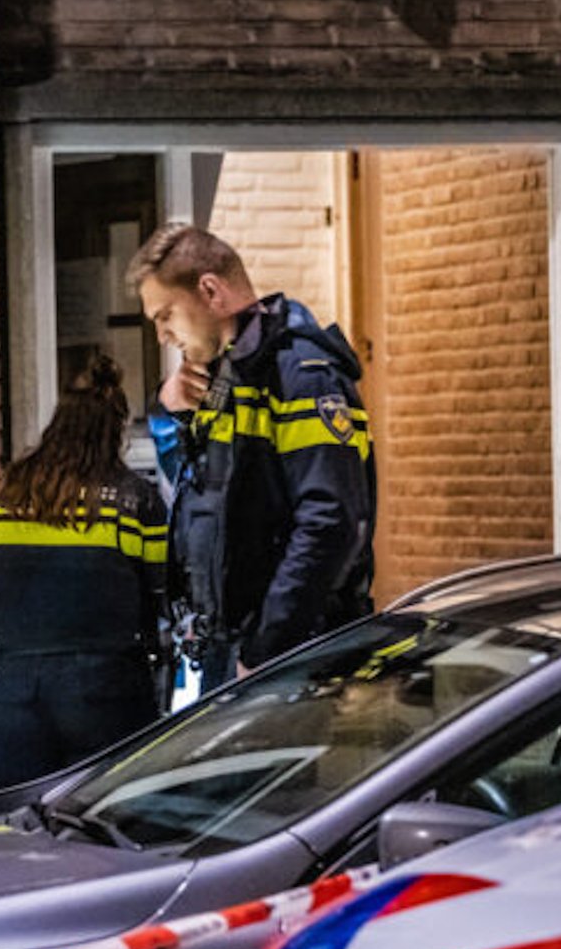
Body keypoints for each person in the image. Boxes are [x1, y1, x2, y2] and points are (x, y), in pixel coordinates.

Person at [126, 222, 376, 680]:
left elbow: (329, 522)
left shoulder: (301, 374)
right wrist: (169, 410)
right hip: (232, 648)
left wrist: (266, 648)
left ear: (210, 290)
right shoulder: (229, 376)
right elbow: (200, 494)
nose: (162, 336)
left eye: (165, 316)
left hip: (289, 655)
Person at [0, 357, 167, 790]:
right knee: (105, 824)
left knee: (14, 820)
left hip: (16, 694)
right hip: (108, 691)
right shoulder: (136, 501)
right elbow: (162, 601)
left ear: (56, 425)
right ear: (117, 431)